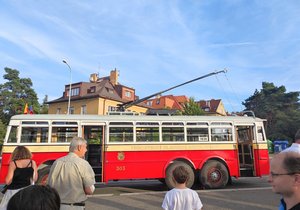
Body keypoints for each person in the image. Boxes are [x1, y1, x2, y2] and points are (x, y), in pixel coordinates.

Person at [48, 136, 95, 210]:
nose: (86, 150)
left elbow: (50, 185)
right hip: (75, 206)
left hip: (57, 205)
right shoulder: (83, 164)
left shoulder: (56, 162)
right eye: (85, 147)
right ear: (79, 147)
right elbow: (89, 190)